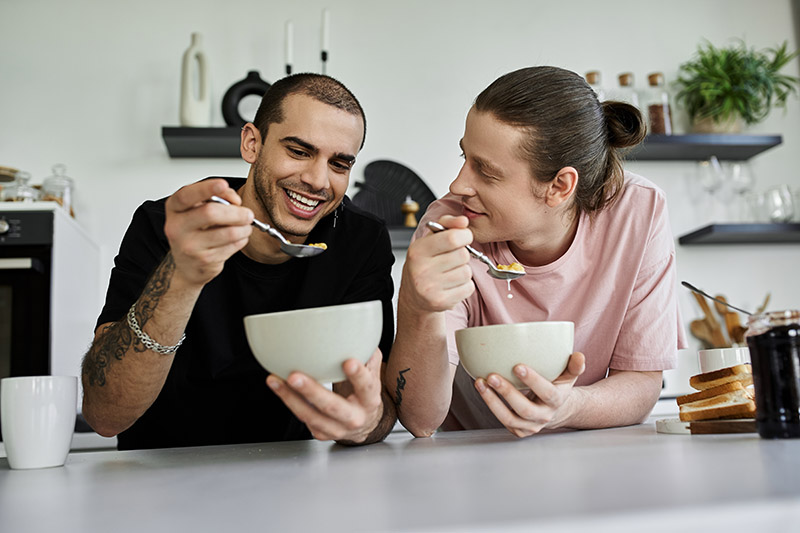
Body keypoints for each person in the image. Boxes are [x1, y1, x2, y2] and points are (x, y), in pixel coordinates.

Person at [82, 73, 397, 450]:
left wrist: (362, 425)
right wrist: (181, 276)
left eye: (340, 164)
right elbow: (104, 414)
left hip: (288, 474)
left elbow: (372, 399)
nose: (318, 180)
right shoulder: (168, 226)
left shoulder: (360, 242)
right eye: (298, 151)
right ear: (252, 143)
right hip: (157, 474)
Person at [387, 66, 686, 438]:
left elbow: (641, 383)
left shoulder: (637, 213)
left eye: (486, 171)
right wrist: (419, 308)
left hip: (585, 453)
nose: (457, 184)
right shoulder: (447, 228)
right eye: (465, 158)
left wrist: (567, 407)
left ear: (560, 186)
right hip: (470, 455)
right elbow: (420, 418)